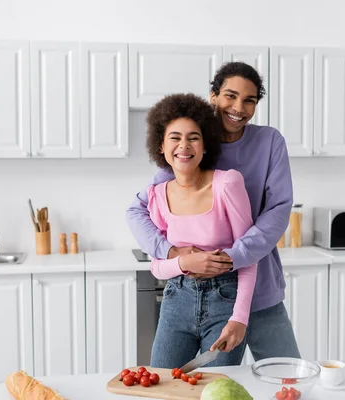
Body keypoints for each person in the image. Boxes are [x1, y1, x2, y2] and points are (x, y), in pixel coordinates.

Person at [127, 61, 301, 361]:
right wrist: (171, 252)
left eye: (250, 100)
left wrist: (232, 257)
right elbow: (137, 209)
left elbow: (278, 210)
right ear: (213, 96)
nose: (238, 107)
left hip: (258, 288)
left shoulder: (269, 141)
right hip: (200, 290)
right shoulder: (191, 148)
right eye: (230, 96)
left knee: (286, 378)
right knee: (206, 384)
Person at [143, 93, 257, 368]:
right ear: (161, 145)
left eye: (193, 137)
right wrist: (186, 263)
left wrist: (239, 319)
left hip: (224, 302)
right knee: (164, 389)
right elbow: (157, 267)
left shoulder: (227, 184)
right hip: (176, 300)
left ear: (205, 144)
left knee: (217, 392)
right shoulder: (158, 195)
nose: (184, 145)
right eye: (175, 137)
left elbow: (250, 256)